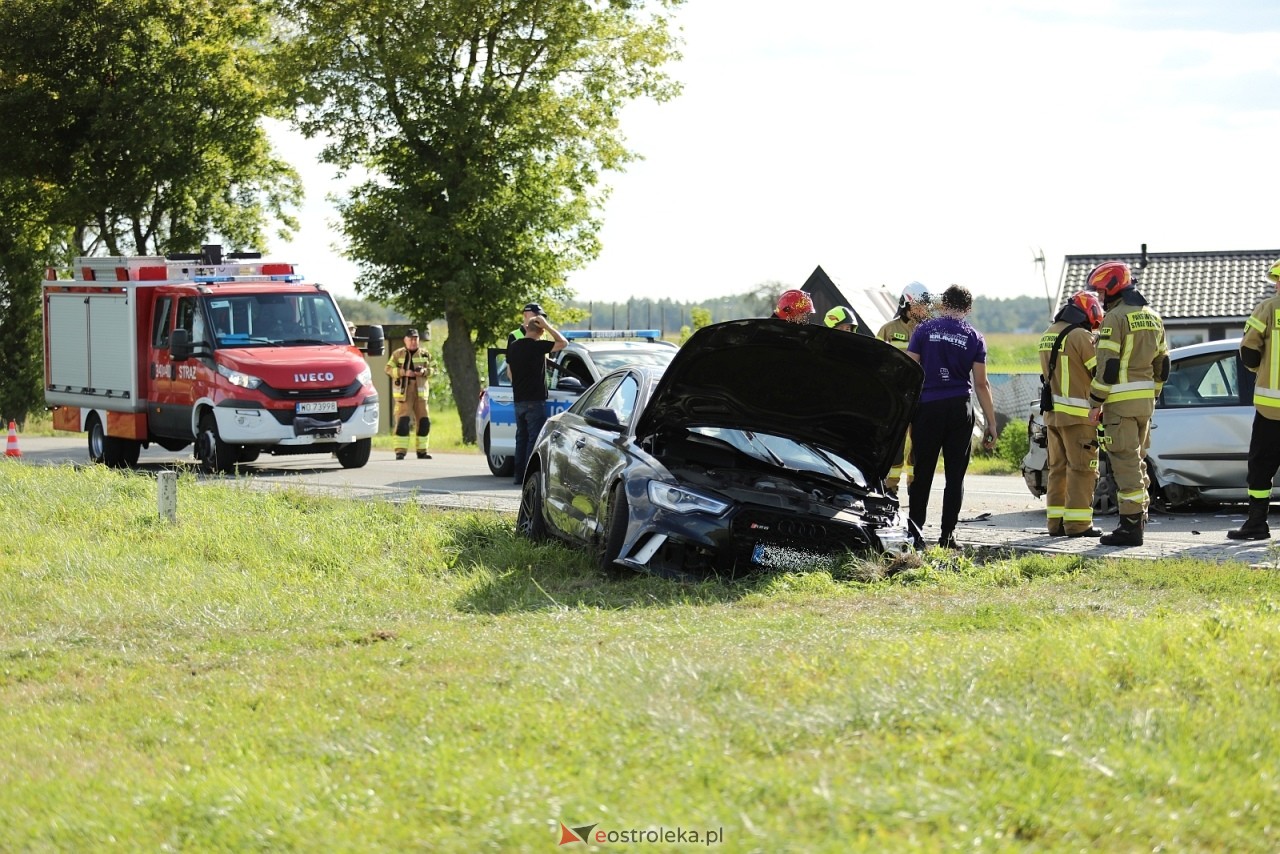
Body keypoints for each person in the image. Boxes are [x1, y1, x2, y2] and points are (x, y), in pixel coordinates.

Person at [905, 284, 998, 549]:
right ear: (968, 309)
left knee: (922, 472)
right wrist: (991, 423)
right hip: (960, 407)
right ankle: (947, 536)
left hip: (928, 407)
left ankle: (915, 534)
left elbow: (911, 369)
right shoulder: (974, 336)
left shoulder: (924, 330)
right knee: (955, 475)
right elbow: (981, 383)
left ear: (943, 304)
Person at [1087, 261, 1169, 547]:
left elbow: (1107, 367)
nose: (1099, 297)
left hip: (1119, 404)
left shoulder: (1115, 318)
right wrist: (1153, 393)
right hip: (1145, 402)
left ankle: (1130, 528)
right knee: (1138, 460)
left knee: (1124, 462)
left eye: (1100, 291)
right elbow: (1163, 364)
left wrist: (1095, 402)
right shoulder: (1153, 317)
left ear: (1112, 287)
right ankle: (1140, 517)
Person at [1039, 291, 1105, 537]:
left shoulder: (1048, 334)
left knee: (1058, 469)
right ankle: (1078, 525)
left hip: (1053, 416)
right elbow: (1099, 373)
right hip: (1079, 416)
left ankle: (1055, 523)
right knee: (1082, 469)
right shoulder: (1081, 336)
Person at [1227, 260, 1280, 540]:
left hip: (1272, 409)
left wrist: (1259, 370)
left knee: (1261, 466)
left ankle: (1257, 523)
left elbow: (1248, 350)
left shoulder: (1270, 307)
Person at [877, 282, 933, 496]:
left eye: (926, 305)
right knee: (895, 445)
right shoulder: (888, 330)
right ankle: (890, 488)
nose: (924, 310)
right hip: (897, 397)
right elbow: (876, 361)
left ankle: (915, 485)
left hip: (923, 395)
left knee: (919, 444)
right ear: (906, 304)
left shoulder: (930, 331)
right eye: (920, 305)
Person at [508, 308, 567, 485]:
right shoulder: (536, 346)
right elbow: (563, 343)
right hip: (535, 401)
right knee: (534, 440)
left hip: (518, 400)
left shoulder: (513, 346)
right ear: (540, 332)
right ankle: (528, 477)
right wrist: (548, 326)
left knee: (521, 439)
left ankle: (518, 476)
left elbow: (509, 372)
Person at [384, 327, 435, 460]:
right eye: (410, 339)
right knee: (402, 422)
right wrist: (403, 372)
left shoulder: (425, 354)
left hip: (421, 393)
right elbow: (388, 369)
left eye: (415, 339)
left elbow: (434, 369)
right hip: (404, 393)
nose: (413, 342)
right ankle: (400, 451)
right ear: (405, 340)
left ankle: (422, 451)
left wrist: (424, 371)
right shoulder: (397, 354)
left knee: (424, 422)